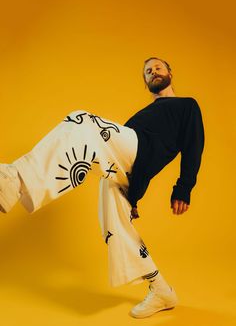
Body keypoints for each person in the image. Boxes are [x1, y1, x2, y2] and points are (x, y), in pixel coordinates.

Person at [0, 57, 205, 318]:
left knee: (81, 119)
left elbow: (193, 146)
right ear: (145, 82)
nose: (153, 71)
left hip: (139, 151)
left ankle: (12, 178)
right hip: (126, 167)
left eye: (158, 67)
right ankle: (161, 289)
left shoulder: (186, 106)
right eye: (148, 71)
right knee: (115, 227)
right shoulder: (140, 117)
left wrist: (183, 188)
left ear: (170, 73)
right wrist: (134, 198)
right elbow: (113, 149)